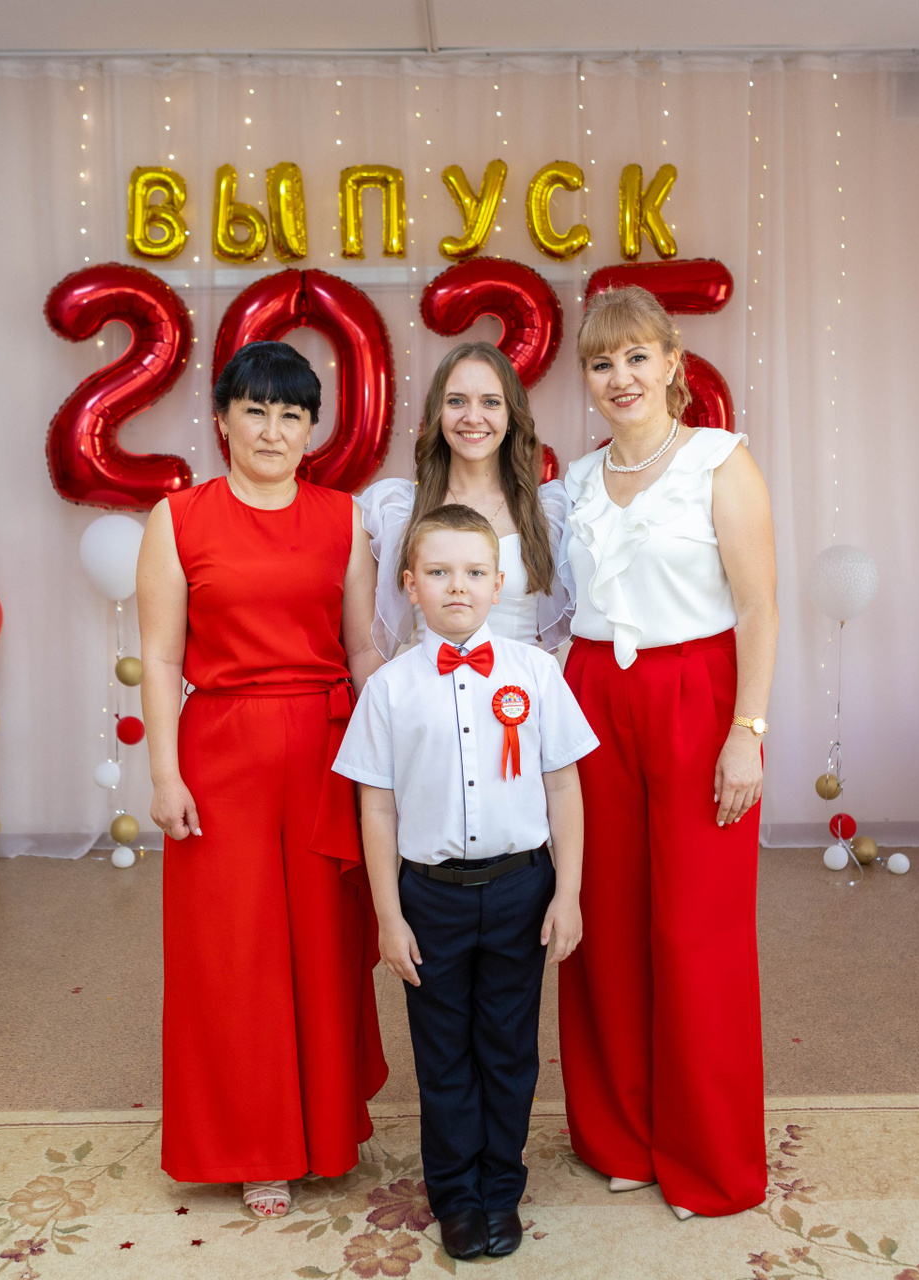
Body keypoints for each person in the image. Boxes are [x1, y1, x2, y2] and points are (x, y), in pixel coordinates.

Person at [135, 340, 387, 1219]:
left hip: (324, 752)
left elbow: (362, 648)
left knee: (323, 949)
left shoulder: (345, 519)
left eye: (291, 414)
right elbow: (161, 658)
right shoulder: (177, 519)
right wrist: (164, 775)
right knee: (233, 957)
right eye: (256, 412)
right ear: (222, 421)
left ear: (312, 429)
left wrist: (395, 758)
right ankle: (256, 1148)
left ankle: (324, 1130)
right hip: (221, 754)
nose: (273, 430)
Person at [557, 286, 779, 1219]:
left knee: (696, 931)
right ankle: (623, 1136)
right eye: (602, 363)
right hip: (593, 697)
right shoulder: (574, 481)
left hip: (696, 695)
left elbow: (759, 607)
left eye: (637, 357)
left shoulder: (721, 461)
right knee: (604, 922)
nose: (621, 377)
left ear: (673, 362)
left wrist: (747, 732)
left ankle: (707, 1157)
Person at [334, 504, 597, 1260]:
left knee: (509, 1050)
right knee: (443, 1054)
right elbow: (376, 807)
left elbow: (564, 788)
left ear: (499, 583)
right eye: (439, 572)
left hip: (521, 889)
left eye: (475, 572)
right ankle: (455, 1197)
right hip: (429, 897)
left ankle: (499, 1191)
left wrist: (567, 893)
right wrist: (390, 916)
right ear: (409, 585)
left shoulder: (536, 673)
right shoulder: (388, 689)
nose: (458, 586)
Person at [358, 342, 571, 658]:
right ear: (438, 412)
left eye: (490, 402)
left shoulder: (550, 511)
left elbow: (565, 643)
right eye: (456, 401)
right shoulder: (397, 509)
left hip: (519, 688)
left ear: (511, 416)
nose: (473, 417)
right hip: (427, 685)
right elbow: (367, 645)